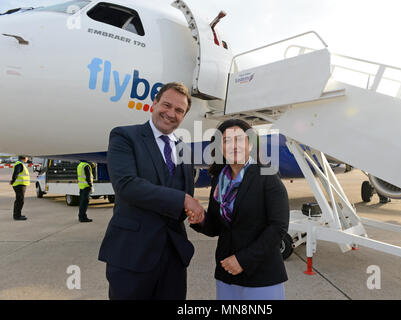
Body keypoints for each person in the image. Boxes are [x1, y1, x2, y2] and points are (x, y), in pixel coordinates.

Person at [98, 82, 204, 300]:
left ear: (184, 116)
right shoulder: (125, 137)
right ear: (154, 104)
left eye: (179, 110)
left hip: (173, 259)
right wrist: (182, 199)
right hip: (131, 256)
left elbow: (184, 197)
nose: (171, 113)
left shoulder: (185, 150)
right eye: (166, 105)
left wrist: (195, 213)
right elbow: (127, 185)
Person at [189, 119, 290, 300]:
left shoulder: (268, 177)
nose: (233, 146)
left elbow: (278, 228)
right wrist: (201, 219)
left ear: (250, 144)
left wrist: (243, 260)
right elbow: (217, 227)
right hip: (227, 273)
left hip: (261, 276)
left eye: (239, 140)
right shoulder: (219, 180)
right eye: (227, 141)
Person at [10, 155, 30, 221]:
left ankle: (18, 215)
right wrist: (13, 181)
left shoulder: (20, 164)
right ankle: (17, 216)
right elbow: (16, 173)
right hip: (19, 185)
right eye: (27, 157)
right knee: (19, 201)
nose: (28, 158)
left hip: (20, 185)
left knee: (19, 201)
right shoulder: (19, 164)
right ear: (23, 158)